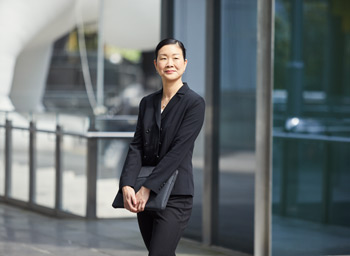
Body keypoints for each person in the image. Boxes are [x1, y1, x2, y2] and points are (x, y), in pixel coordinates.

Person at [119, 38, 205, 256]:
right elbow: (137, 146)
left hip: (176, 196)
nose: (170, 63)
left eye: (175, 58)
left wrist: (147, 188)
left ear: (185, 64)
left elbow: (178, 152)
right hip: (143, 194)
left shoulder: (194, 103)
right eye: (164, 58)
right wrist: (127, 184)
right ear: (156, 64)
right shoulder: (147, 102)